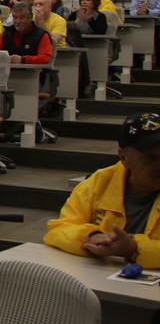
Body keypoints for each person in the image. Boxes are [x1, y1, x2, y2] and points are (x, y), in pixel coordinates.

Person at [44, 112, 160, 268]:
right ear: (123, 157)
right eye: (150, 158)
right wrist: (92, 237)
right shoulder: (100, 182)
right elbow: (59, 229)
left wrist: (133, 248)